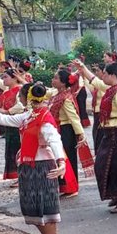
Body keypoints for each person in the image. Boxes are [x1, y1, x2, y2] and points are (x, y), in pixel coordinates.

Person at [0, 83, 67, 234]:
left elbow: (54, 139)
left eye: (20, 96)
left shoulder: (43, 118)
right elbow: (2, 119)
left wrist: (61, 161)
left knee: (43, 205)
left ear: (27, 98)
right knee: (32, 206)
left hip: (42, 166)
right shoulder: (28, 117)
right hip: (30, 166)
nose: (19, 99)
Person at [74, 60, 117, 213]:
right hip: (110, 133)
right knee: (106, 165)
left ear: (112, 75)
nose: (102, 76)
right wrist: (83, 68)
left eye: (104, 73)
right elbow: (95, 81)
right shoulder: (112, 89)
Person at [48, 69, 84, 198]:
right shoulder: (56, 94)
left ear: (63, 83)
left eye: (56, 78)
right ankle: (64, 186)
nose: (53, 80)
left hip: (66, 130)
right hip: (59, 130)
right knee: (60, 158)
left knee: (68, 158)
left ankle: (71, 187)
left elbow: (73, 117)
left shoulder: (66, 98)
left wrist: (81, 134)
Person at [0, 68, 24, 183]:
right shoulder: (6, 90)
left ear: (14, 78)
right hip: (9, 124)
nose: (3, 79)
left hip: (17, 123)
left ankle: (21, 175)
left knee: (18, 150)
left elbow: (21, 106)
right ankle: (17, 175)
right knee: (11, 150)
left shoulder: (20, 90)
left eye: (6, 77)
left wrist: (7, 111)